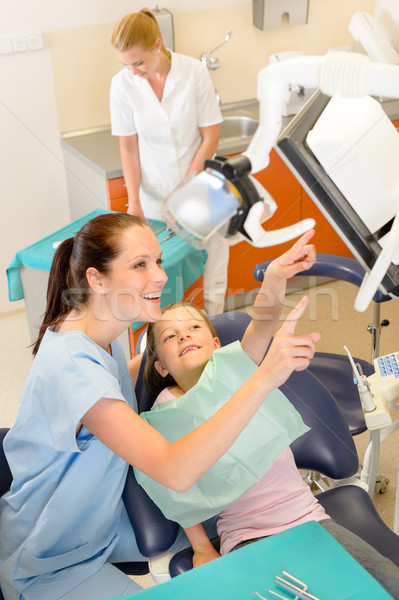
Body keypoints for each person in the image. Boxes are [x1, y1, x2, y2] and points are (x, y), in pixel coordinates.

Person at [0, 213, 320, 600]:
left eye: (157, 261)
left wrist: (272, 283)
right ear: (96, 280)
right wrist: (264, 376)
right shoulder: (74, 368)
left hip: (103, 526)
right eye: (139, 265)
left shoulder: (102, 336)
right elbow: (175, 471)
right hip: (51, 558)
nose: (161, 276)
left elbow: (145, 371)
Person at [142, 232, 399, 599]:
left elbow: (264, 320)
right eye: (170, 337)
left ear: (218, 345)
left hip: (309, 520)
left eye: (194, 327)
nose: (184, 336)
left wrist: (276, 278)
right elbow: (177, 490)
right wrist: (201, 546)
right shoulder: (167, 408)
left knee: (386, 584)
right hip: (249, 537)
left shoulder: (238, 365)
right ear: (161, 367)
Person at [110, 8, 229, 317]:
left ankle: (217, 330)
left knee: (213, 268)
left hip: (201, 189)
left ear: (158, 45)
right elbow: (128, 149)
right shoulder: (122, 85)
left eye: (139, 62)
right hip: (153, 199)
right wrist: (133, 202)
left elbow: (210, 138)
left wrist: (186, 189)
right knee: (161, 275)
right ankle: (167, 342)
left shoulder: (193, 73)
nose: (133, 71)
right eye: (126, 64)